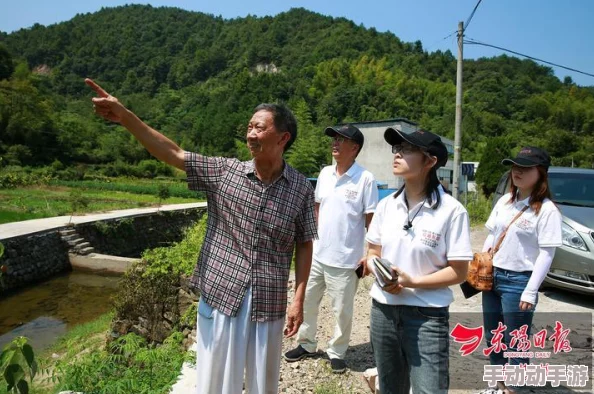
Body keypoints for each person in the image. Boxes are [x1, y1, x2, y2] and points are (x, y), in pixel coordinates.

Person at [85, 78, 317, 394]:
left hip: (269, 298)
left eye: (259, 128)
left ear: (283, 137)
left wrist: (299, 298)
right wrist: (126, 117)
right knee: (216, 382)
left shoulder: (301, 189)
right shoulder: (225, 173)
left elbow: (304, 242)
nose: (250, 134)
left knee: (264, 383)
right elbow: (174, 153)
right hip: (223, 295)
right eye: (249, 126)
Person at [363, 127, 473, 394]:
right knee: (391, 389)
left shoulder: (451, 211)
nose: (398, 153)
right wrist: (381, 274)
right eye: (396, 148)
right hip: (383, 311)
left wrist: (414, 282)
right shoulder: (386, 205)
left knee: (429, 390)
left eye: (408, 149)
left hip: (427, 316)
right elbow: (372, 254)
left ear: (431, 161)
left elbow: (459, 272)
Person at [284, 124, 378, 373]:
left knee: (342, 310)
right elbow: (316, 210)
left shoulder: (365, 179)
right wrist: (309, 241)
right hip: (317, 255)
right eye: (334, 139)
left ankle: (337, 351)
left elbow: (371, 222)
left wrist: (369, 255)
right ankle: (306, 343)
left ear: (354, 147)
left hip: (346, 259)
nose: (334, 143)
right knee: (308, 302)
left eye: (341, 140)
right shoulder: (325, 173)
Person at [479, 147, 562, 394]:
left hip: (519, 282)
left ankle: (515, 388)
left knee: (515, 341)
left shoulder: (547, 210)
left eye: (525, 168)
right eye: (515, 166)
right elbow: (493, 235)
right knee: (494, 337)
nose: (518, 171)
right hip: (493, 278)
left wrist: (530, 290)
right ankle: (498, 385)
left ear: (541, 173)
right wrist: (483, 263)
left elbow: (547, 254)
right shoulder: (505, 201)